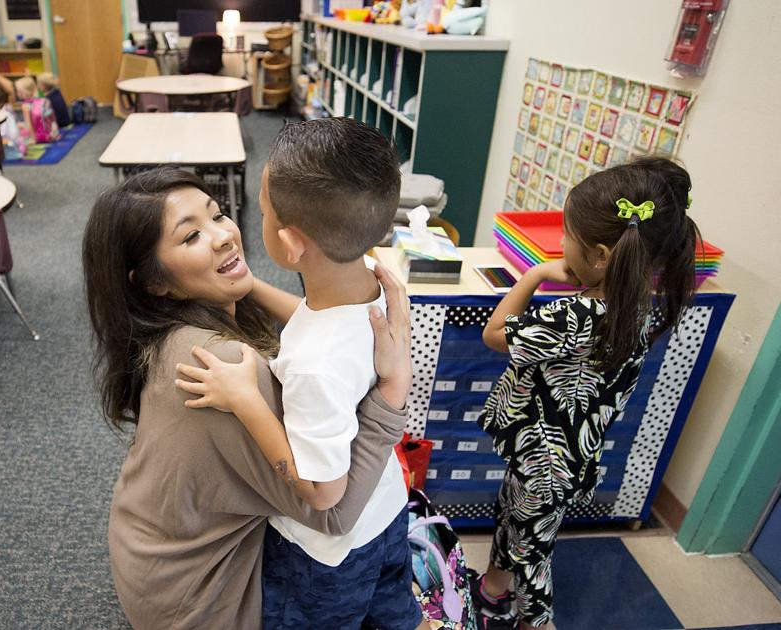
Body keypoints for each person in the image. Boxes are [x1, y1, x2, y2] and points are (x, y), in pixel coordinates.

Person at [82, 167, 414, 629]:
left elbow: (312, 327)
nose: (223, 236)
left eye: (219, 214)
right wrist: (394, 389)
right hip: (198, 599)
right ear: (154, 281)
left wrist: (247, 279)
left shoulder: (165, 330)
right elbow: (333, 512)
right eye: (191, 235)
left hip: (150, 548)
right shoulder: (227, 369)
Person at [174, 118, 425, 630]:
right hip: (388, 512)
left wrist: (244, 398)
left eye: (258, 213)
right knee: (394, 613)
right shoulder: (374, 282)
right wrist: (254, 291)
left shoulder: (313, 368)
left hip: (328, 556)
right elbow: (321, 320)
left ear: (289, 246)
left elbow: (322, 493)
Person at [472, 157, 700, 630]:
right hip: (560, 457)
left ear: (599, 256)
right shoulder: (633, 306)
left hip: (545, 464)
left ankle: (534, 622)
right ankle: (493, 590)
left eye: (566, 235)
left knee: (532, 552)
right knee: (514, 522)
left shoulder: (575, 318)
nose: (560, 244)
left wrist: (533, 274)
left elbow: (495, 334)